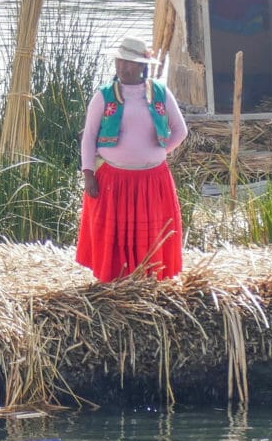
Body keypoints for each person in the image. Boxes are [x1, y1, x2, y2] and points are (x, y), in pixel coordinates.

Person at [76, 36, 188, 283]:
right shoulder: (104, 96)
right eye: (120, 62)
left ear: (142, 67)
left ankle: (149, 277)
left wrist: (158, 152)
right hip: (113, 180)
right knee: (115, 233)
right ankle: (114, 278)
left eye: (130, 63)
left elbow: (180, 131)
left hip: (153, 180)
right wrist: (88, 174)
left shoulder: (159, 93)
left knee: (150, 231)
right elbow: (89, 137)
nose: (123, 68)